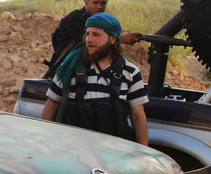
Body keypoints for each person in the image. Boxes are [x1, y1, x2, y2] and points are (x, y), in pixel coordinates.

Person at [41, 13, 149, 145]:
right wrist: (46, 143)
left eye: (96, 34)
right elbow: (51, 104)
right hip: (75, 150)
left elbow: (138, 116)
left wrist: (144, 152)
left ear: (112, 39)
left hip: (114, 154)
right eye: (87, 34)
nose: (89, 39)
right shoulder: (69, 67)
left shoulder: (130, 72)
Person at [45, 0, 138, 74]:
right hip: (66, 69)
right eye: (95, 2)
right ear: (86, 2)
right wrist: (121, 39)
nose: (99, 6)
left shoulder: (102, 21)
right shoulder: (73, 19)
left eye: (103, 3)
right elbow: (88, 41)